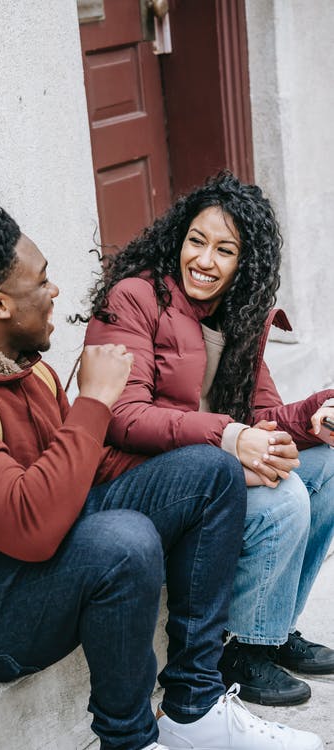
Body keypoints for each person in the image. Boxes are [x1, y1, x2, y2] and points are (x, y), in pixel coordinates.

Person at [0, 205, 323, 750]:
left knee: (211, 469)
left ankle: (194, 706)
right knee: (122, 541)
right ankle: (129, 740)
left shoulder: (22, 365)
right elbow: (31, 526)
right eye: (40, 281)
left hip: (31, 555)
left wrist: (210, 471)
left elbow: (92, 467)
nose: (56, 290)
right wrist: (94, 402)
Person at [84, 171, 334, 712]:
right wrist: (227, 434)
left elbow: (266, 415)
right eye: (196, 241)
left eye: (225, 250)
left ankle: (274, 627)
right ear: (178, 238)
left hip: (209, 467)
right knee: (284, 495)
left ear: (245, 263)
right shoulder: (136, 298)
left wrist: (315, 415)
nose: (205, 260)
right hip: (137, 480)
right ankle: (237, 653)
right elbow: (121, 416)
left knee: (328, 469)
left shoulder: (238, 316)